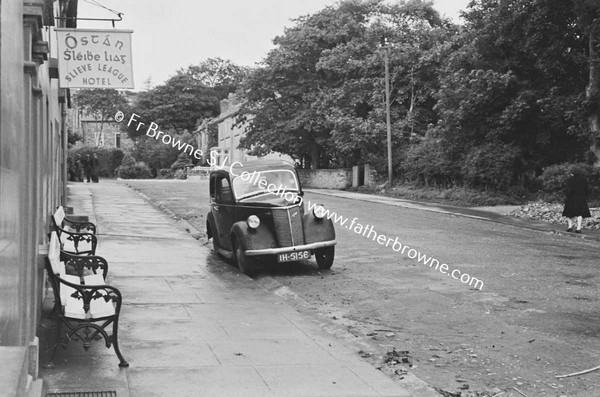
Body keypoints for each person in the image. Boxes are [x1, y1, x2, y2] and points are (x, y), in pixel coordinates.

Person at [562, 165, 591, 234]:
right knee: (580, 213)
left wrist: (566, 195)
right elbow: (587, 189)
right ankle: (578, 228)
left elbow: (569, 189)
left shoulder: (570, 179)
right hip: (581, 198)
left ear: (572, 172)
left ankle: (570, 227)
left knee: (569, 213)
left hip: (571, 198)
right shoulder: (584, 179)